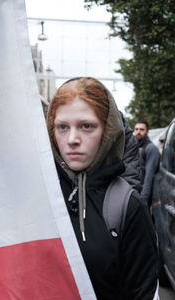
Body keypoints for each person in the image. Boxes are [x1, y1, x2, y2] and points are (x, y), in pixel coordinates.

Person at [47, 77, 158, 300]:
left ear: (107, 131)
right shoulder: (38, 195)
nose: (72, 139)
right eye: (62, 127)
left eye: (86, 126)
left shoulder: (128, 206)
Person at [134, 121, 160, 206]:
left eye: (142, 129)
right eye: (136, 129)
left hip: (147, 196)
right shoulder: (135, 147)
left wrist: (143, 199)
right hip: (136, 192)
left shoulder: (151, 148)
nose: (138, 132)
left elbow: (149, 175)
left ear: (147, 132)